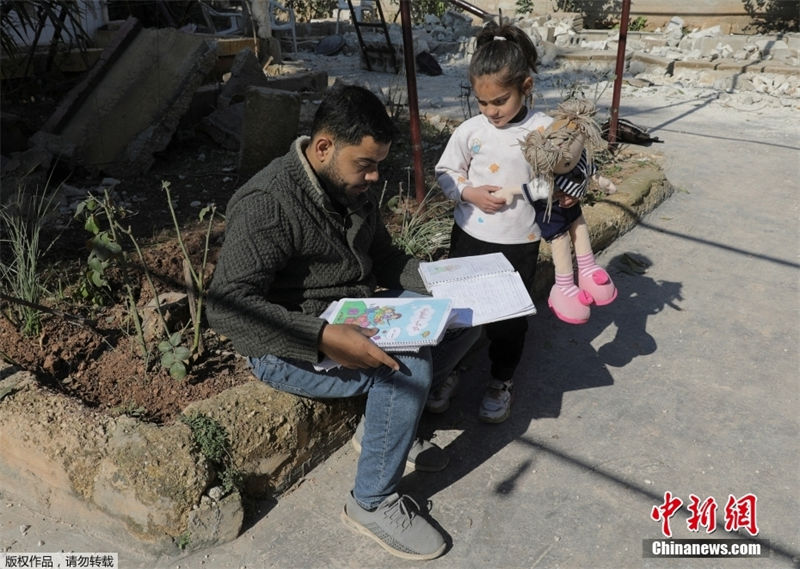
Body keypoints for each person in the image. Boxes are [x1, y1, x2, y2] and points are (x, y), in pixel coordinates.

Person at [206, 85, 480, 561]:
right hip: (288, 345)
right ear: (324, 147)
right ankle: (371, 502)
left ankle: (384, 429)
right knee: (407, 365)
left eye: (378, 165)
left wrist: (442, 286)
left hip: (353, 315)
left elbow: (385, 257)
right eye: (366, 165)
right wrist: (321, 338)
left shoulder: (351, 186)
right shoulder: (267, 202)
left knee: (464, 318)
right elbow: (228, 306)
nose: (374, 176)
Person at [433, 23, 547, 424]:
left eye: (500, 100)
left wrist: (524, 190)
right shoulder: (470, 131)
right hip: (470, 237)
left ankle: (501, 379)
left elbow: (557, 178)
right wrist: (468, 192)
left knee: (508, 320)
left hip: (520, 241)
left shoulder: (543, 133)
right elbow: (446, 171)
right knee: (460, 313)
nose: (491, 111)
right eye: (481, 102)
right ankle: (450, 370)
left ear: (526, 86)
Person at [496, 98, 618, 324]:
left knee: (580, 230)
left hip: (573, 210)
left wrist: (603, 183)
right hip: (552, 214)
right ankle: (564, 286)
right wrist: (510, 191)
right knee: (561, 242)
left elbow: (590, 173)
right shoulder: (548, 178)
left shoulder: (580, 158)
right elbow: (530, 189)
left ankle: (588, 268)